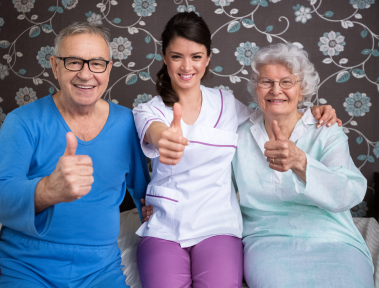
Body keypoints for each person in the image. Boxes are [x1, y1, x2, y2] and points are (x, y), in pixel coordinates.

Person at [134, 12, 340, 288]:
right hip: (164, 225)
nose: (186, 66)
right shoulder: (148, 110)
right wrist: (165, 140)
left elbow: (270, 113)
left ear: (207, 59)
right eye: (176, 56)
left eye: (196, 56)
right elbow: (155, 131)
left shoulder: (226, 103)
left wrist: (311, 111)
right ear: (164, 57)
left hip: (218, 225)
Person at [0, 22, 150, 288]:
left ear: (108, 68)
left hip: (101, 270)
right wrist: (46, 190)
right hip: (27, 265)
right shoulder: (22, 122)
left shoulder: (127, 123)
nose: (86, 75)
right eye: (74, 62)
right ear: (55, 66)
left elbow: (146, 196)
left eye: (96, 63)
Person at [232, 42, 374, 288]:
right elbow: (214, 185)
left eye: (287, 82)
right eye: (266, 82)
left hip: (333, 238)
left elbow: (348, 194)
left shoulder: (326, 131)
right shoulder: (238, 135)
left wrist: (301, 162)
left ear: (303, 88)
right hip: (268, 240)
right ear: (256, 88)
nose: (276, 90)